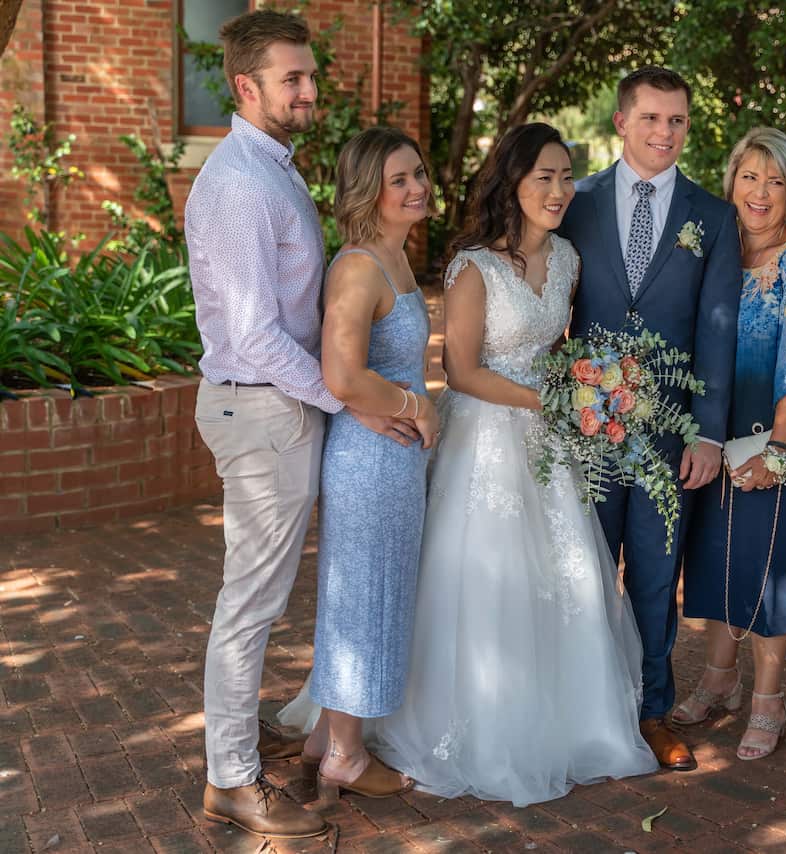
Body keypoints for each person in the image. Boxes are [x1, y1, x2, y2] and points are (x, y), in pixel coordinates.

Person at [290, 122, 657, 807]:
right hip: (481, 438)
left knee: (559, 580)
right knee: (458, 581)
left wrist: (589, 388)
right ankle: (374, 736)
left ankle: (559, 718)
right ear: (512, 184)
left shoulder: (569, 260)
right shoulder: (469, 265)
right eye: (541, 176)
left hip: (542, 445)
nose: (555, 189)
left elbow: (560, 348)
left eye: (564, 176)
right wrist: (545, 400)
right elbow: (458, 372)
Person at [187, 10, 412, 840]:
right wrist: (348, 396)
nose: (310, 90)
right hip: (263, 408)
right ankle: (232, 780)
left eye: (309, 75)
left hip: (279, 406)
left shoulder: (272, 167)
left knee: (266, 595)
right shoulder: (242, 182)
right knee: (251, 601)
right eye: (293, 78)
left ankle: (291, 744)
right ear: (247, 87)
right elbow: (252, 334)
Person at [558, 66, 741, 771]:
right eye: (652, 119)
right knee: (586, 569)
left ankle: (652, 710)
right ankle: (584, 702)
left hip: (669, 435)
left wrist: (708, 429)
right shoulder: (574, 203)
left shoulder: (711, 216)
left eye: (678, 121)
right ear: (621, 123)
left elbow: (716, 327)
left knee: (658, 577)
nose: (666, 133)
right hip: (587, 427)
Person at [275, 127, 439, 801]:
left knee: (379, 593)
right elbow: (343, 375)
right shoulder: (358, 267)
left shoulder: (395, 258)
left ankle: (324, 737)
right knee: (361, 600)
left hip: (393, 460)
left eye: (419, 173)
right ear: (367, 190)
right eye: (398, 179)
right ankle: (345, 753)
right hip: (370, 460)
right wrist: (417, 406)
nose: (417, 187)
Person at [676, 128, 786, 760]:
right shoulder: (718, 247)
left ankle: (770, 697)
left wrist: (778, 449)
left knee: (770, 562)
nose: (761, 192)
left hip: (776, 432)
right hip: (713, 429)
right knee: (714, 555)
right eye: (751, 176)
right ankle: (720, 679)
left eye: (776, 180)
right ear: (732, 181)